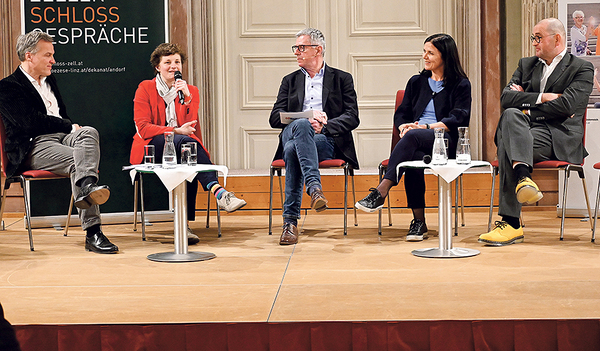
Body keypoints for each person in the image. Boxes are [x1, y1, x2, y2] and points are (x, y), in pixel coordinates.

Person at [0, 30, 118, 254]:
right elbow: (29, 124)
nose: (53, 60)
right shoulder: (8, 87)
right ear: (29, 56)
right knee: (77, 162)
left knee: (90, 132)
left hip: (62, 137)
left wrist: (69, 128)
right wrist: (67, 126)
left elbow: (61, 115)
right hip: (33, 145)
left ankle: (86, 187)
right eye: (48, 55)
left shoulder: (49, 80)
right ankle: (93, 233)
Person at [479, 18, 593, 246]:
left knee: (508, 140)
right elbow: (506, 99)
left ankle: (511, 224)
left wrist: (528, 111)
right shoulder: (527, 64)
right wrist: (542, 97)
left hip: (558, 137)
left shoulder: (581, 68)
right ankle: (523, 177)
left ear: (557, 39)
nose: (533, 43)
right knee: (510, 116)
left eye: (538, 38)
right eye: (533, 38)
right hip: (527, 133)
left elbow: (567, 106)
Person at [354, 33, 471, 242]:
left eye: (430, 53)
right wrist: (403, 127)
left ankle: (382, 190)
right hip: (416, 140)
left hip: (445, 140)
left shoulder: (461, 84)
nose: (424, 56)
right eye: (424, 51)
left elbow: (458, 117)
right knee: (411, 157)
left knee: (414, 136)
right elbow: (402, 113)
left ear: (445, 56)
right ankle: (419, 222)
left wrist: (425, 126)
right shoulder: (416, 82)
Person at [131, 43, 246, 245]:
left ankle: (184, 226)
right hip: (152, 148)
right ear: (157, 67)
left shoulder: (190, 91)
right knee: (185, 143)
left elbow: (191, 126)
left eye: (177, 62)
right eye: (168, 62)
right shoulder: (145, 88)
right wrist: (175, 130)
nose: (174, 66)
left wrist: (187, 100)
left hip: (183, 147)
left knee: (188, 152)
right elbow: (144, 128)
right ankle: (219, 192)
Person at [269, 28, 359, 245]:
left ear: (317, 50)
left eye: (301, 48)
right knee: (300, 126)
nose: (296, 52)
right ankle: (314, 187)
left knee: (292, 151)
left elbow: (352, 117)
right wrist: (304, 118)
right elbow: (274, 118)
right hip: (293, 131)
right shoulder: (289, 81)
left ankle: (289, 223)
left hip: (324, 139)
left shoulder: (342, 78)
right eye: (296, 48)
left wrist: (324, 125)